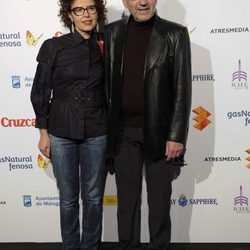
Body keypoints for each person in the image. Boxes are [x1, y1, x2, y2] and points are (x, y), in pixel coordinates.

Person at [104, 0, 192, 249]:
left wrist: (176, 135)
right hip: (123, 134)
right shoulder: (112, 33)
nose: (142, 2)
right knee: (127, 202)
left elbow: (182, 89)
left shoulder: (175, 34)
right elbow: (108, 86)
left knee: (160, 201)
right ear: (125, 2)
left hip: (161, 134)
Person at [31, 0, 107, 249]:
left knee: (94, 198)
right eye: (79, 10)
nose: (86, 14)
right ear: (69, 15)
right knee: (68, 199)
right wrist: (44, 133)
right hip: (61, 130)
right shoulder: (53, 47)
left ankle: (91, 246)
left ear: (98, 11)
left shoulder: (108, 44)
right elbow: (40, 91)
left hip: (97, 129)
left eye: (91, 8)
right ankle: (70, 246)